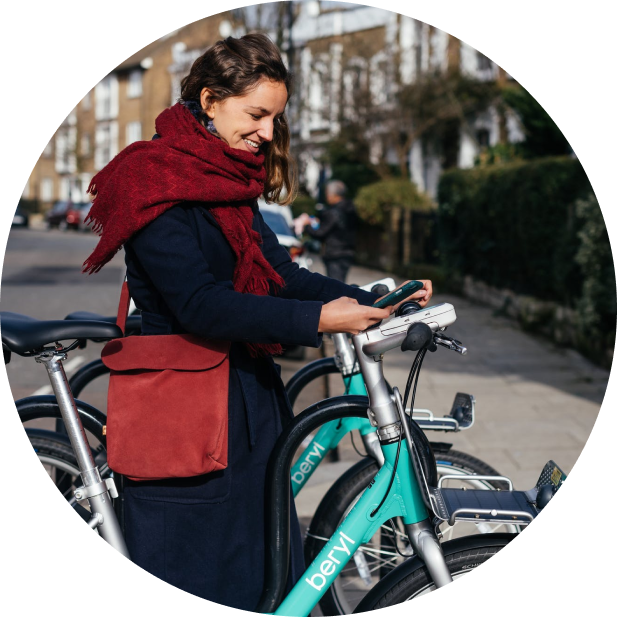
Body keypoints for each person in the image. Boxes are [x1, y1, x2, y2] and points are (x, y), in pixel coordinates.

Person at [82, 33, 433, 615]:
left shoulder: (229, 185)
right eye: (257, 114)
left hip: (245, 403)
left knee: (258, 572)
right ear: (211, 99)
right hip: (186, 412)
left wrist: (373, 298)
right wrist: (321, 319)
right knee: (192, 583)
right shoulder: (151, 181)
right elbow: (200, 303)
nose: (268, 133)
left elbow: (280, 276)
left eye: (275, 117)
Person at [300, 179, 358, 283]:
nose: (327, 196)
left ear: (333, 195)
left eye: (327, 193)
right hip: (348, 252)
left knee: (336, 285)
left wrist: (307, 226)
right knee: (341, 283)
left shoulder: (334, 212)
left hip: (334, 254)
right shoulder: (351, 208)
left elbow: (320, 232)